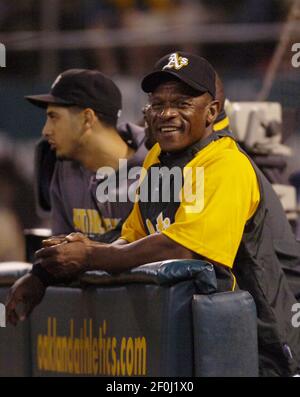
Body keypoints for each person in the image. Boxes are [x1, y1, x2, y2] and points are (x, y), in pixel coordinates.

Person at [7, 52, 300, 376]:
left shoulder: (224, 164)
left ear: (212, 111)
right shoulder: (159, 159)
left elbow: (183, 246)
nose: (167, 114)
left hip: (263, 351)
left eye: (182, 103)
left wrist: (89, 256)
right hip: (207, 347)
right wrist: (45, 273)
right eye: (158, 104)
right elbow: (129, 236)